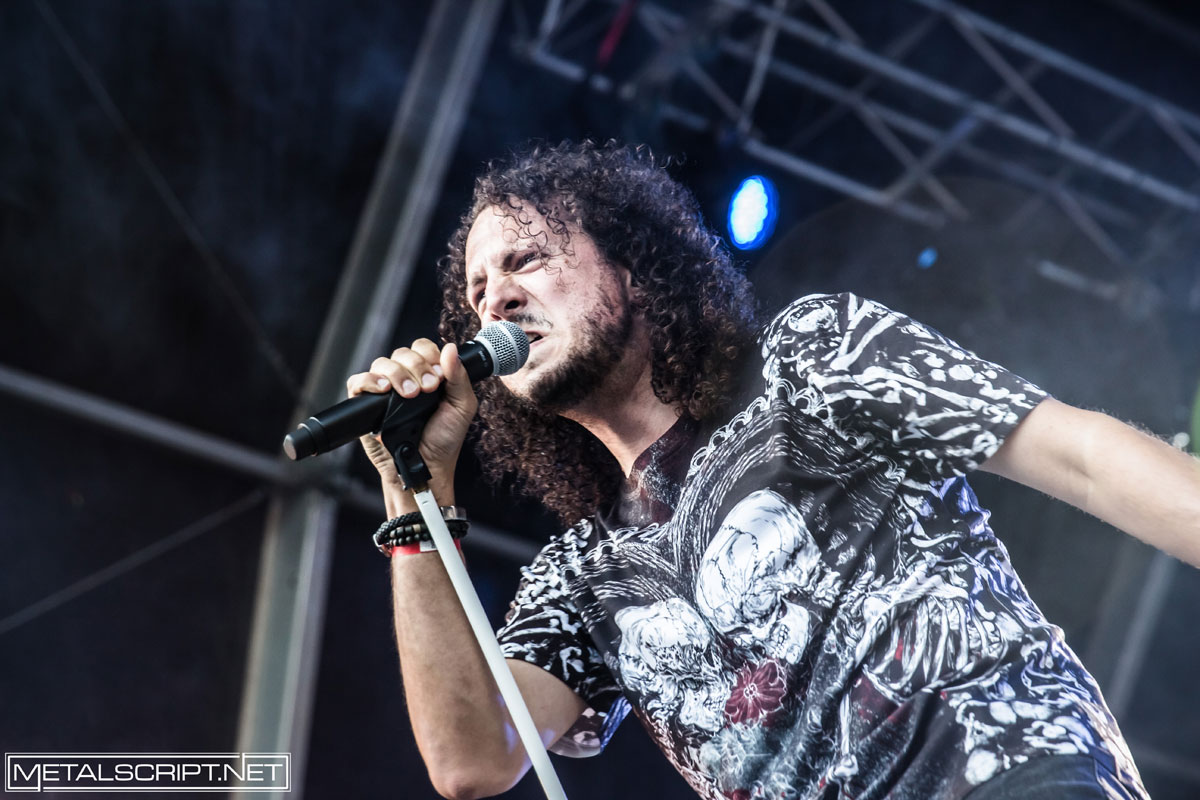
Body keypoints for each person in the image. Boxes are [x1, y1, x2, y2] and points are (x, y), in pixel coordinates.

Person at [346, 141, 1200, 800]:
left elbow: (1080, 455)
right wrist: (411, 489)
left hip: (1009, 771)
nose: (493, 299)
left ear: (633, 270)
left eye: (526, 260)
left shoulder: (812, 358)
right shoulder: (582, 574)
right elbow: (472, 759)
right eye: (477, 290)